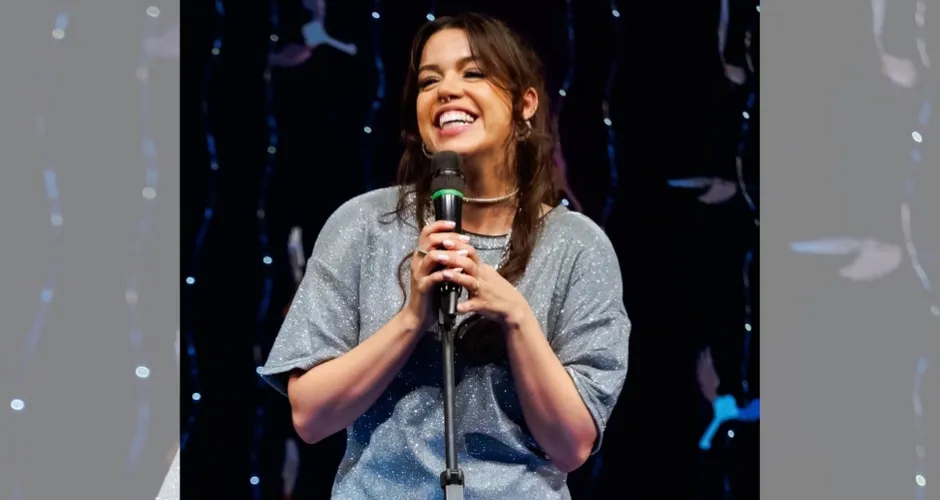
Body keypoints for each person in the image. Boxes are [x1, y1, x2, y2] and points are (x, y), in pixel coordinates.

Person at [260, 12, 631, 499]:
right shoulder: (364, 225)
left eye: (472, 73)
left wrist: (517, 318)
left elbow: (573, 445)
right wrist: (411, 319)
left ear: (525, 104)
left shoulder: (576, 245)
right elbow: (310, 417)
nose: (447, 90)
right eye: (428, 81)